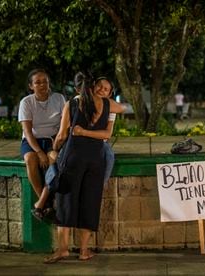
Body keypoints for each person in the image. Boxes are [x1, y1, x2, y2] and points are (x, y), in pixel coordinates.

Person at [43, 72, 124, 263]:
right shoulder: (107, 104)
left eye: (106, 89)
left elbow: (62, 134)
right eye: (100, 87)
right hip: (95, 159)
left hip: (73, 156)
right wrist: (105, 101)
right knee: (90, 202)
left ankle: (63, 249)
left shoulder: (72, 103)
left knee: (65, 201)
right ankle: (84, 251)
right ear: (94, 86)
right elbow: (120, 109)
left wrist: (54, 151)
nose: (102, 91)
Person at [18, 69, 66, 221]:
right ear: (31, 86)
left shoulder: (59, 99)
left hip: (53, 139)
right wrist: (39, 152)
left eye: (45, 81)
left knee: (55, 159)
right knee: (30, 159)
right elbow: (27, 131)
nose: (42, 85)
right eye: (37, 82)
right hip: (32, 140)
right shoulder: (26, 102)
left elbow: (65, 125)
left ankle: (40, 204)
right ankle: (46, 204)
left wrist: (57, 143)